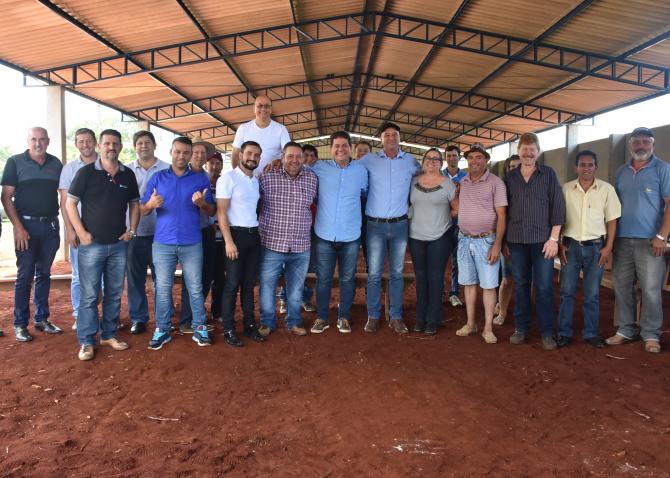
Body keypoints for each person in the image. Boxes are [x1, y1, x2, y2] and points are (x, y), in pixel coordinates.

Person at [66, 128, 139, 360]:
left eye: (115, 143)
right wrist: (81, 233)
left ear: (121, 147)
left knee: (114, 293)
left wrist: (131, 230)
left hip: (118, 245)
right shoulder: (86, 173)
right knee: (89, 295)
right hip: (91, 245)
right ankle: (86, 341)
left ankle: (108, 334)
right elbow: (70, 204)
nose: (111, 147)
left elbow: (134, 204)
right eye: (107, 143)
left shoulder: (127, 174)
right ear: (100, 146)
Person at [141, 137, 215, 350]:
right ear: (171, 152)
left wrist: (202, 204)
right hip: (163, 243)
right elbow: (143, 209)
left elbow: (211, 210)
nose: (181, 156)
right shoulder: (158, 177)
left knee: (195, 287)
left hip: (192, 242)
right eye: (178, 152)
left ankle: (199, 327)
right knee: (162, 288)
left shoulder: (200, 179)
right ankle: (162, 329)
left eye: (185, 152)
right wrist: (150, 204)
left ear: (190, 155)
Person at [608, 127, 670, 354]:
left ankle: (651, 334)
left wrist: (661, 236)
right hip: (622, 240)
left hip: (651, 243)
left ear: (653, 144)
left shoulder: (663, 169)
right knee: (622, 287)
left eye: (645, 141)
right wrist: (611, 240)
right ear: (630, 145)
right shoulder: (621, 171)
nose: (641, 146)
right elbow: (613, 207)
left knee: (651, 290)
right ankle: (626, 329)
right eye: (636, 142)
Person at [1, 127, 63, 342]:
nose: (38, 143)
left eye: (42, 139)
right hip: (25, 228)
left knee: (44, 274)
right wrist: (18, 228)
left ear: (48, 141)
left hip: (50, 227)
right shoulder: (15, 162)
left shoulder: (56, 164)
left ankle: (42, 319)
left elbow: (64, 195)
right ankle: (20, 324)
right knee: (25, 276)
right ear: (28, 141)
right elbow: (6, 197)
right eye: (34, 139)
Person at [505, 132, 566, 351]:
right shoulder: (510, 178)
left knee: (544, 286)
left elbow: (558, 207)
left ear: (538, 152)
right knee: (521, 284)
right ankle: (521, 328)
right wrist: (503, 241)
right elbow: (503, 210)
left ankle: (547, 331)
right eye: (525, 149)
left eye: (532, 149)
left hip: (543, 242)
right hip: (516, 241)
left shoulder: (548, 174)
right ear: (519, 151)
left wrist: (553, 239)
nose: (528, 153)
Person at [359, 122, 420, 333]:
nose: (391, 138)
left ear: (400, 138)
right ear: (381, 139)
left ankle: (396, 316)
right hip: (374, 225)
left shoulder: (411, 161)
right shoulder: (369, 160)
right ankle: (373, 316)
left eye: (395, 135)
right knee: (374, 273)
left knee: (397, 273)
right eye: (387, 135)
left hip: (400, 225)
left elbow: (426, 176)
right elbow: (349, 170)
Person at [558, 150, 621, 349]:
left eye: (590, 164)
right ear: (576, 167)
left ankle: (591, 333)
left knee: (592, 294)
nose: (586, 168)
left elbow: (612, 220)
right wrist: (559, 243)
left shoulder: (607, 189)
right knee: (567, 292)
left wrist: (608, 247)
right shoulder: (566, 189)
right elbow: (558, 218)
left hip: (596, 248)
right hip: (570, 247)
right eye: (582, 165)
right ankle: (564, 333)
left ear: (596, 167)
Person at [309, 132, 368, 334]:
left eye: (344, 146)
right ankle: (322, 317)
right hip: (324, 234)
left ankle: (344, 317)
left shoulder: (361, 171)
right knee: (323, 279)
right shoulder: (319, 168)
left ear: (350, 148)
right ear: (331, 148)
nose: (340, 149)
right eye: (336, 146)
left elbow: (365, 192)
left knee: (347, 279)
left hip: (351, 235)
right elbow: (297, 170)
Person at [257, 142, 318, 336]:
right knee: (268, 286)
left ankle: (294, 322)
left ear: (303, 158)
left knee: (296, 288)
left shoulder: (312, 178)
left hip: (301, 245)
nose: (294, 160)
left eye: (298, 156)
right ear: (282, 158)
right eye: (290, 156)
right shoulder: (267, 176)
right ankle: (267, 322)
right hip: (272, 243)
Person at [454, 144, 507, 344]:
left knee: (488, 285)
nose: (474, 161)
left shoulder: (496, 183)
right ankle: (470, 324)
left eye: (478, 157)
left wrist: (497, 245)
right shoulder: (463, 182)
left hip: (486, 240)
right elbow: (457, 207)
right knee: (468, 283)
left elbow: (502, 216)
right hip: (464, 239)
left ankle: (488, 328)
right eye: (471, 157)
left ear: (486, 160)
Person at [216, 141, 266, 346]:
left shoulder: (255, 181)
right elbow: (221, 212)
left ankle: (249, 325)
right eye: (249, 153)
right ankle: (228, 329)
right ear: (240, 155)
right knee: (232, 284)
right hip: (235, 235)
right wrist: (228, 242)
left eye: (257, 155)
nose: (252, 158)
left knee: (249, 284)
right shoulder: (228, 178)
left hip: (253, 236)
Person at [408, 148, 458, 335]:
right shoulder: (413, 182)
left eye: (436, 159)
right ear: (423, 161)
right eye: (428, 158)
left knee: (436, 277)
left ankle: (433, 318)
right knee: (421, 277)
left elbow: (457, 209)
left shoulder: (448, 184)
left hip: (440, 236)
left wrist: (442, 217)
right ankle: (420, 318)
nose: (432, 161)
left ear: (441, 163)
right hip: (416, 236)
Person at [126, 130, 170, 335]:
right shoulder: (126, 170)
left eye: (147, 142)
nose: (143, 146)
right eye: (139, 143)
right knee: (135, 279)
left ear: (154, 145)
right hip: (133, 233)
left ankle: (163, 317)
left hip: (161, 235)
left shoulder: (167, 169)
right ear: (135, 147)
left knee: (162, 280)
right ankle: (138, 318)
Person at [59, 128, 99, 331]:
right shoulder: (69, 169)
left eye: (89, 141)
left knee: (104, 276)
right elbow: (64, 201)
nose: (85, 145)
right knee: (78, 275)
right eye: (81, 141)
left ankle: (103, 315)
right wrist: (70, 229)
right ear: (76, 144)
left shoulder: (106, 164)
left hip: (104, 229)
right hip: (78, 228)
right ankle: (79, 315)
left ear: (95, 142)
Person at [179, 141, 217, 332]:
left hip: (205, 230)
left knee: (205, 276)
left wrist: (202, 204)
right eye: (196, 152)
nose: (200, 155)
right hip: (189, 233)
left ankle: (197, 316)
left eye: (203, 152)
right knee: (192, 277)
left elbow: (210, 209)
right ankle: (187, 320)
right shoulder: (181, 174)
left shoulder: (204, 175)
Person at [278, 144, 318, 313]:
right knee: (286, 265)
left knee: (310, 266)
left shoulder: (316, 177)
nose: (308, 159)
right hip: (291, 229)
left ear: (316, 158)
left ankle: (305, 298)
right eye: (305, 155)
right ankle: (284, 299)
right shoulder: (289, 175)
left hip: (312, 229)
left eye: (311, 155)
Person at [231, 95, 290, 175]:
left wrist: (280, 160)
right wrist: (238, 176)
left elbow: (288, 153)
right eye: (260, 106)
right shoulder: (243, 128)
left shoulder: (281, 129)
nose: (263, 109)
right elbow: (235, 155)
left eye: (267, 106)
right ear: (254, 109)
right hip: (248, 178)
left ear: (271, 109)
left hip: (273, 178)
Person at [493, 154, 521, 325]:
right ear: (507, 169)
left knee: (527, 280)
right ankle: (502, 311)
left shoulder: (533, 186)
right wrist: (502, 242)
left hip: (529, 241)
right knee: (507, 278)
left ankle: (524, 311)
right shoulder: (501, 189)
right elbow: (499, 217)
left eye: (518, 166)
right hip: (509, 241)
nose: (515, 169)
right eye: (512, 166)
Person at [443, 144, 467, 308]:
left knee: (457, 260)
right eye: (449, 155)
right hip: (441, 225)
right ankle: (438, 292)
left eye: (454, 155)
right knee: (439, 260)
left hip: (460, 224)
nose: (451, 158)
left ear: (459, 157)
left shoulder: (466, 177)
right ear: (445, 158)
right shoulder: (439, 176)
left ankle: (454, 293)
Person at [206, 152, 225, 322]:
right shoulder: (200, 182)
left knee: (219, 277)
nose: (214, 166)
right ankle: (196, 313)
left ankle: (217, 311)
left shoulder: (225, 183)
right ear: (206, 165)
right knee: (203, 276)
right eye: (211, 163)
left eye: (218, 163)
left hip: (222, 239)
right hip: (203, 237)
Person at [354, 141, 372, 271]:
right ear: (355, 153)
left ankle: (370, 270)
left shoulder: (376, 169)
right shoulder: (349, 167)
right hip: (353, 209)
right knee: (352, 245)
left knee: (368, 243)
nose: (362, 153)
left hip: (370, 209)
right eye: (359, 150)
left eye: (366, 151)